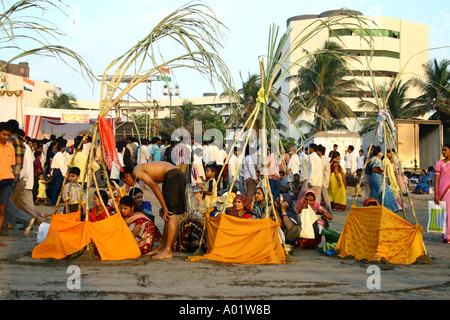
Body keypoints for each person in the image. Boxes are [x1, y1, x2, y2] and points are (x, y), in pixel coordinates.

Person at [120, 161, 186, 260]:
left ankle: (168, 250)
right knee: (167, 215)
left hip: (173, 176)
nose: (127, 184)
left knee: (171, 215)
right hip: (172, 177)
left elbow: (154, 186)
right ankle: (162, 247)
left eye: (125, 181)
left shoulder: (136, 170)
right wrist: (163, 206)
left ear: (126, 175)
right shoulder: (139, 169)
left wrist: (164, 206)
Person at [367, 146, 398, 213]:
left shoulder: (372, 159)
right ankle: (389, 207)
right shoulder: (377, 160)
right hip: (379, 177)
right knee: (385, 191)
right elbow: (381, 169)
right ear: (378, 153)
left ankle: (376, 206)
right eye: (380, 152)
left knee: (376, 191)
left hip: (373, 177)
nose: (381, 153)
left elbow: (367, 163)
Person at [0, 122, 15, 246]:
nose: (6, 137)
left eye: (8, 135)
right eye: (4, 134)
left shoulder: (10, 147)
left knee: (2, 210)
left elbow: (12, 164)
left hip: (7, 181)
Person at [434, 143, 450, 243]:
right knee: (446, 213)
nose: (443, 152)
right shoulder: (439, 163)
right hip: (443, 191)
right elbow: (436, 180)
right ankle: (446, 235)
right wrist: (436, 194)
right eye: (442, 150)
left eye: (445, 150)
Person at [317, 145, 332, 214]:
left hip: (323, 180)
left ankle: (329, 210)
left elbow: (321, 170)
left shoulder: (323, 160)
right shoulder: (324, 159)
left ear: (319, 151)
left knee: (325, 196)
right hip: (324, 180)